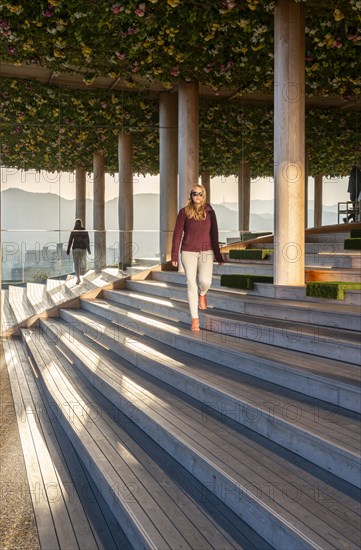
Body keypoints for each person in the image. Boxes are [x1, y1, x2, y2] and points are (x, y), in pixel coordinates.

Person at [171, 184, 224, 332]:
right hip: (188, 252)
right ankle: (195, 319)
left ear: (204, 195)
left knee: (205, 281)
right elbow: (177, 234)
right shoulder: (184, 212)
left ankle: (203, 294)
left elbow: (214, 234)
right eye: (195, 194)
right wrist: (174, 254)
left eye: (200, 194)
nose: (198, 197)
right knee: (190, 283)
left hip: (207, 252)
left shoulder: (210, 212)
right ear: (191, 195)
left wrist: (218, 255)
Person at [66, 218, 91, 284]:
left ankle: (78, 278)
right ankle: (81, 273)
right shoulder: (84, 230)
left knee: (76, 264)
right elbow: (87, 241)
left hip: (75, 249)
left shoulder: (74, 231)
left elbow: (70, 241)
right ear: (81, 224)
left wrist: (68, 250)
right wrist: (89, 250)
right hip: (83, 249)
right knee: (80, 263)